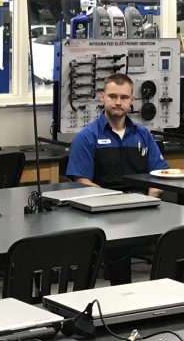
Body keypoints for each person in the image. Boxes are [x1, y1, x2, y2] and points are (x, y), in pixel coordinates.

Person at [66, 73, 168, 283]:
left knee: (176, 239)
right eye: (113, 96)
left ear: (132, 100)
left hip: (144, 208)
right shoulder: (86, 138)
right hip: (105, 213)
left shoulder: (144, 135)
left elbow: (159, 174)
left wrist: (149, 202)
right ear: (102, 97)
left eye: (124, 97)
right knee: (119, 251)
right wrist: (116, 202)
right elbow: (81, 181)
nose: (118, 102)